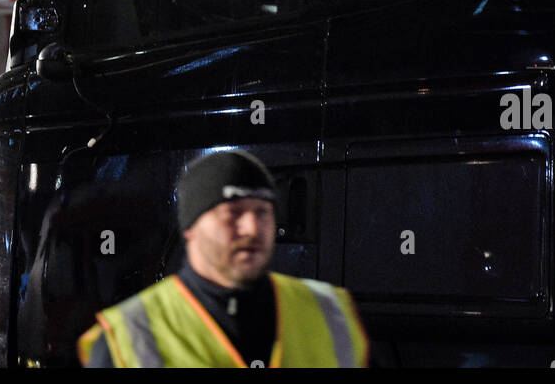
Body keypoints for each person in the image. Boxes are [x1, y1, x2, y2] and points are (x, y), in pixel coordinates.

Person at [78, 150, 368, 367]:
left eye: (262, 212)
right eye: (233, 213)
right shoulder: (126, 339)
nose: (252, 228)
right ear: (191, 228)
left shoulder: (331, 313)